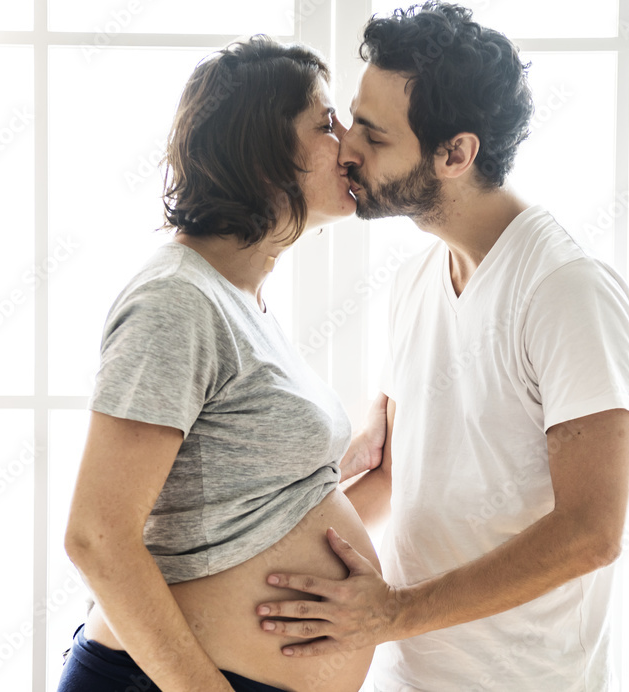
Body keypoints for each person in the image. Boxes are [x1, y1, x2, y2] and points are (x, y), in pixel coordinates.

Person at [255, 4, 629, 691]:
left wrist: (394, 614)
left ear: (456, 154)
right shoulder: (416, 279)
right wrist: (252, 568)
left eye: (374, 135)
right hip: (407, 675)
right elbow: (392, 475)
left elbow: (592, 531)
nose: (347, 149)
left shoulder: (566, 289)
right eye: (352, 121)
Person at [58, 36, 388, 692]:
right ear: (261, 151)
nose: (350, 144)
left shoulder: (243, 303)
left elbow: (251, 518)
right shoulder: (177, 299)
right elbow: (96, 535)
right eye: (326, 124)